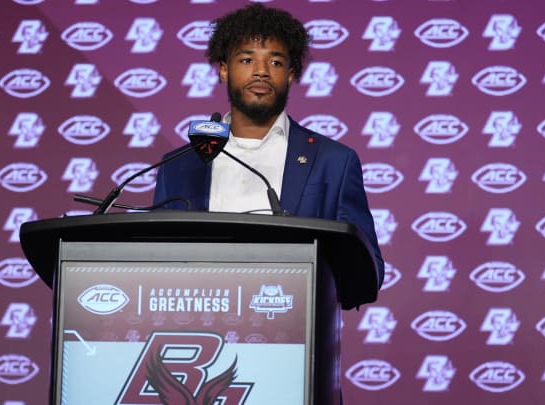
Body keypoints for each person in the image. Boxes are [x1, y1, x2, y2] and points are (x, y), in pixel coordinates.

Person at [153, 3, 384, 295]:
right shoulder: (179, 166)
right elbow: (156, 263)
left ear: (291, 74)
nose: (261, 72)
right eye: (247, 60)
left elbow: (368, 273)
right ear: (224, 70)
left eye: (275, 62)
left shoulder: (333, 162)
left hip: (292, 324)